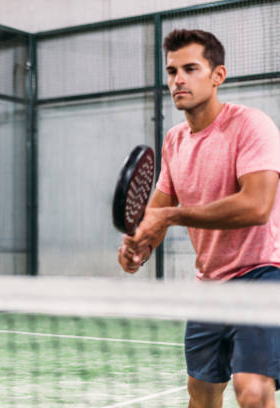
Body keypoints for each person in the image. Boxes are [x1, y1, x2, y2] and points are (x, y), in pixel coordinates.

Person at [118, 29, 280, 408]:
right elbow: (155, 214)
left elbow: (256, 206)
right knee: (202, 394)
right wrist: (136, 249)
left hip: (262, 273)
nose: (178, 80)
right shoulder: (175, 140)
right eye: (172, 71)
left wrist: (170, 217)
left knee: (253, 391)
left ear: (217, 75)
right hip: (208, 285)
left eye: (190, 68)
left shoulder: (251, 126)